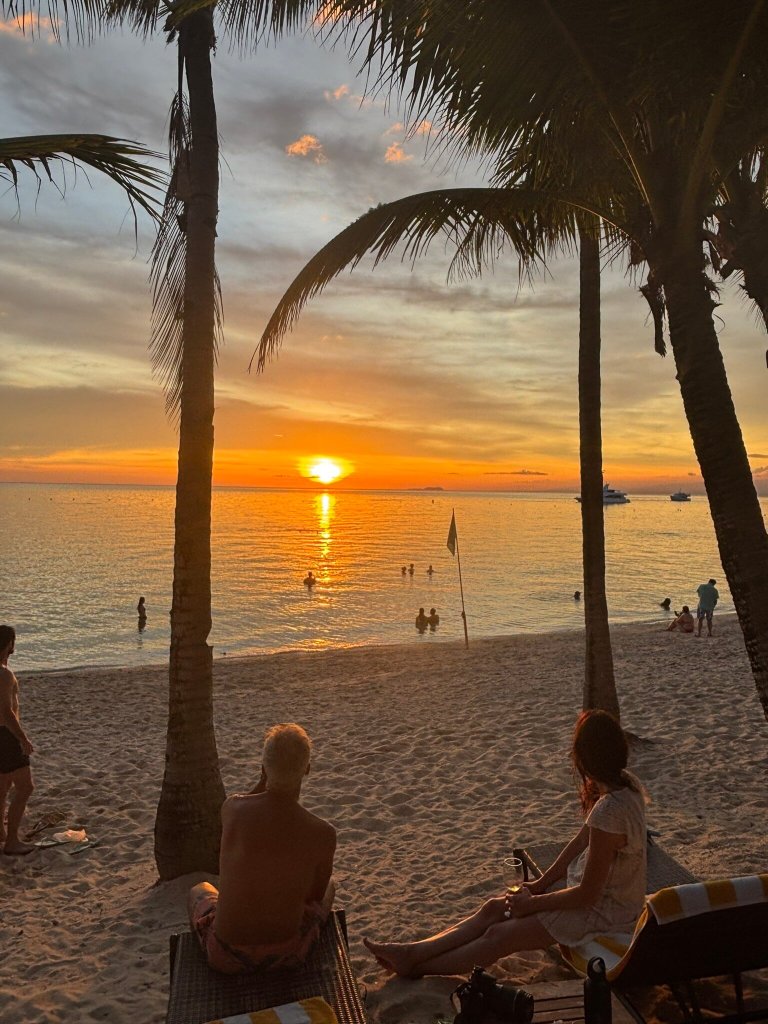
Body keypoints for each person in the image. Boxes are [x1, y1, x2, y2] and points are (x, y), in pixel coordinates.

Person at [364, 710, 647, 977]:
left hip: (605, 915)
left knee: (498, 936)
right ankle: (413, 952)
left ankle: (415, 969)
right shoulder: (626, 784)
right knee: (493, 909)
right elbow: (580, 841)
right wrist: (538, 885)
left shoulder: (609, 811)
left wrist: (533, 903)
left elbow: (587, 894)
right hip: (603, 902)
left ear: (585, 758)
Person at [188, 723, 336, 974]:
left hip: (226, 956)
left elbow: (248, 804)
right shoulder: (322, 832)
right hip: (286, 955)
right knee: (331, 887)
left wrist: (264, 779)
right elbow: (313, 896)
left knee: (199, 889)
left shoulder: (232, 809)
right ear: (307, 769)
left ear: (263, 769)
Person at [0, 625, 35, 856]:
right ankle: (12, 841)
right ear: (9, 644)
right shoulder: (4, 674)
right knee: (25, 788)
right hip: (7, 736)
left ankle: (1, 833)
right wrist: (23, 738)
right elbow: (6, 711)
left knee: (2, 788)